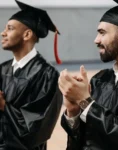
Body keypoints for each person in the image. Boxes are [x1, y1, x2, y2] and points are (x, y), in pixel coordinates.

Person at [58, 0, 118, 149]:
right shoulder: (100, 79)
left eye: (102, 32)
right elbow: (84, 140)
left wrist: (84, 101)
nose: (96, 40)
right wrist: (73, 110)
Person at [0, 0, 62, 149]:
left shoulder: (47, 74)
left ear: (27, 34)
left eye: (9, 28)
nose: (3, 33)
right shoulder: (2, 69)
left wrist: (4, 106)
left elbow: (39, 127)